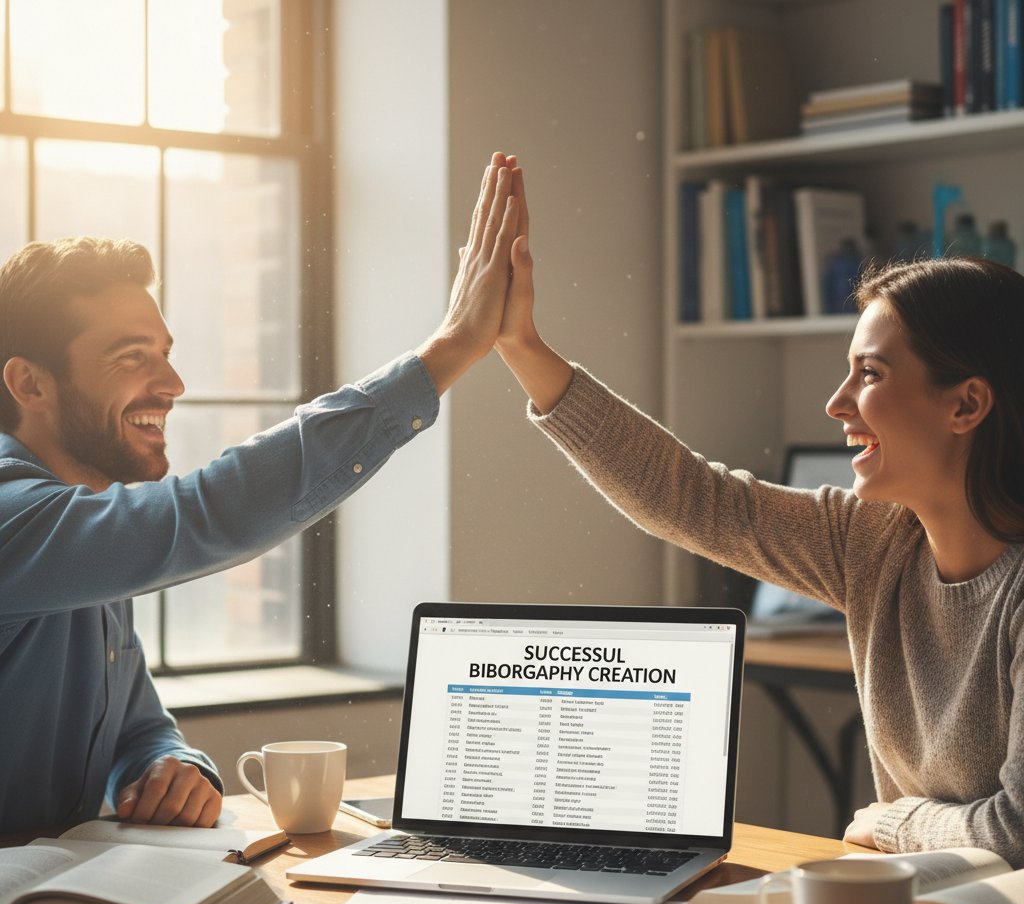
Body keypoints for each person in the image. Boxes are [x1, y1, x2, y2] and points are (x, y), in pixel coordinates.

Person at [492, 154, 1024, 867]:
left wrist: (893, 822)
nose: (837, 404)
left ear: (967, 404)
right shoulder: (870, 542)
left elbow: (1015, 834)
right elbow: (688, 497)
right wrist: (520, 345)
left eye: (869, 374)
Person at [0, 153, 521, 833]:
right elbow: (209, 512)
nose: (172, 383)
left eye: (164, 351)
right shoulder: (17, 521)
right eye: (132, 357)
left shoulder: (85, 528)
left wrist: (170, 764)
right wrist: (451, 349)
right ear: (30, 385)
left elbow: (137, 727)